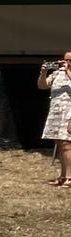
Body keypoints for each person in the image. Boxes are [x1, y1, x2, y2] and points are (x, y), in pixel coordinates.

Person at [42, 51, 71, 187]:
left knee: (67, 144)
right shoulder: (57, 74)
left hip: (69, 113)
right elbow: (42, 85)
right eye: (65, 60)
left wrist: (67, 71)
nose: (66, 62)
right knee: (60, 144)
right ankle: (63, 175)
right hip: (56, 112)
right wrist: (43, 72)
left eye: (70, 60)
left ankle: (70, 177)